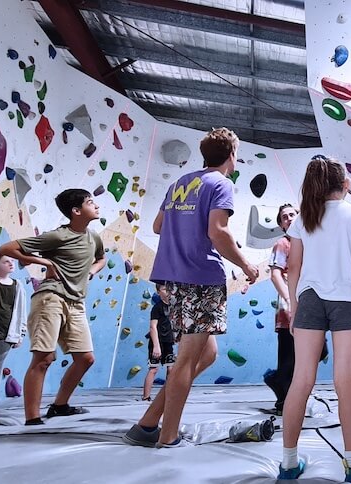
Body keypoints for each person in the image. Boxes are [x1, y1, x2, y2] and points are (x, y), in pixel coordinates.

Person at [122, 127, 259, 448]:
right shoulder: (222, 184)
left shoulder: (180, 183)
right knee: (185, 361)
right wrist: (247, 265)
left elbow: (158, 226)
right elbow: (219, 232)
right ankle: (167, 437)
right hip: (201, 277)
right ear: (232, 156)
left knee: (207, 354)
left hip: (171, 278)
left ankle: (147, 422)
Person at [277, 155, 351, 483]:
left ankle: (289, 464)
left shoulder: (303, 219)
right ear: (345, 185)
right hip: (346, 301)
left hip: (309, 300)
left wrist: (293, 307)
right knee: (345, 381)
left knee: (301, 380)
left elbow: (292, 269)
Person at [0, 189, 105, 425]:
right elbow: (6, 249)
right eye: (90, 202)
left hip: (76, 303)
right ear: (76, 211)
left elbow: (101, 258)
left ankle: (59, 406)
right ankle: (32, 418)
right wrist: (43, 260)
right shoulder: (57, 236)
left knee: (86, 358)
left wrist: (92, 272)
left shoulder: (94, 237)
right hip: (50, 298)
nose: (96, 206)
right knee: (44, 358)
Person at [263, 203, 329, 415]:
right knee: (289, 356)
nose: (289, 218)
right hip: (289, 308)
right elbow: (275, 274)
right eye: (284, 217)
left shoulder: (310, 243)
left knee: (320, 350)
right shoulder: (283, 244)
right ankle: (284, 402)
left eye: (293, 214)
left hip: (311, 306)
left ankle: (278, 379)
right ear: (282, 225)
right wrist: (290, 301)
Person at [0, 252, 28, 410]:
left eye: (12, 261)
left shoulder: (18, 285)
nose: (11, 263)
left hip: (7, 333)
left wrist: (20, 334)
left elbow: (21, 311)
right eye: (6, 261)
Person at [142, 284, 174, 402]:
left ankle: (167, 395)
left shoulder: (173, 306)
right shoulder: (157, 308)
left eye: (169, 289)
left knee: (171, 369)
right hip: (157, 341)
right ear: (159, 292)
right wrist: (156, 346)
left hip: (168, 342)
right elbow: (153, 327)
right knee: (153, 369)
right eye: (164, 289)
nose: (167, 292)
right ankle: (146, 396)